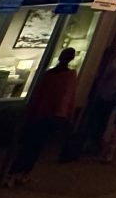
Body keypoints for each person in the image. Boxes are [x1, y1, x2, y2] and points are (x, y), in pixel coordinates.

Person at [6, 48, 78, 186]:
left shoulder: (50, 74)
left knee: (30, 144)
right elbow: (67, 98)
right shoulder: (68, 76)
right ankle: (20, 173)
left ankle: (16, 173)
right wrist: (67, 114)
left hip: (41, 112)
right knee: (36, 146)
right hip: (52, 114)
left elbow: (41, 94)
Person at [80, 39, 116, 159]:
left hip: (107, 91)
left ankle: (91, 142)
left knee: (97, 117)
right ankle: (97, 143)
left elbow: (106, 75)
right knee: (105, 119)